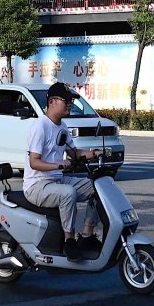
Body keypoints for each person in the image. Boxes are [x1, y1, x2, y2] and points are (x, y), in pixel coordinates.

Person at [24, 82, 102, 254]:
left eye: (70, 101)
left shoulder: (62, 127)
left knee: (98, 189)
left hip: (57, 180)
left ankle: (87, 235)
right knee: (68, 193)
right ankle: (69, 240)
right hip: (37, 185)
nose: (69, 104)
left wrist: (96, 153)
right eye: (65, 101)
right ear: (52, 101)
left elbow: (74, 153)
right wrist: (58, 164)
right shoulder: (40, 126)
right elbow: (34, 162)